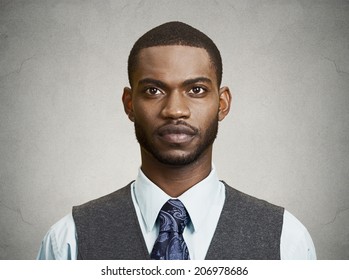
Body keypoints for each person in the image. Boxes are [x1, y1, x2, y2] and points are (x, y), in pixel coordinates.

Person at [37, 21, 316, 260]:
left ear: (222, 103)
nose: (175, 110)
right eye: (153, 90)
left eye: (196, 89)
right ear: (129, 104)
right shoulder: (68, 242)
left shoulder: (286, 240)